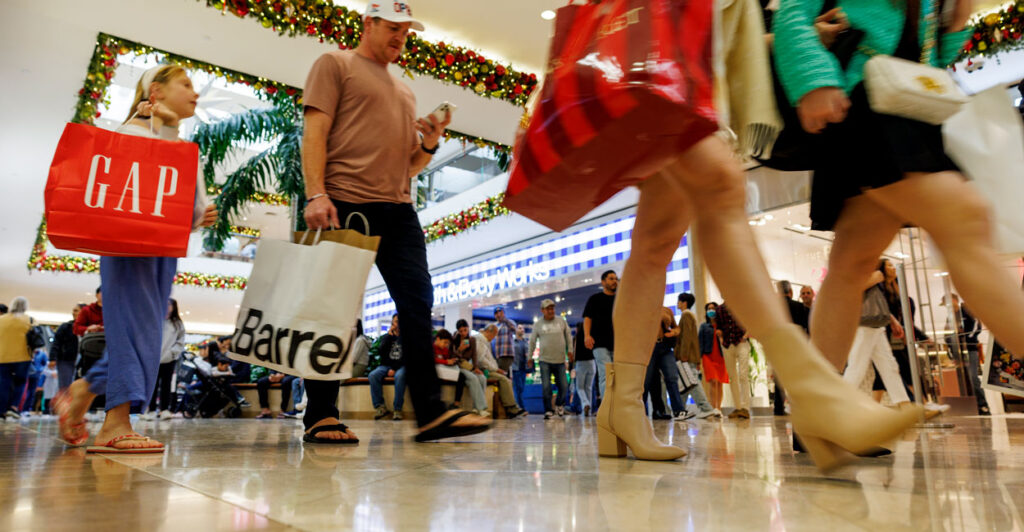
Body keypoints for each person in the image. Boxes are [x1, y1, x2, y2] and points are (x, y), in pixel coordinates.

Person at [776, 1, 1024, 415]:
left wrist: (957, 23)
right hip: (862, 104)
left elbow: (937, 63)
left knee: (853, 261)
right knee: (964, 220)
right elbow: (793, 11)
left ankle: (815, 412)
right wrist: (812, 80)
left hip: (905, 110)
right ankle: (817, 409)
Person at [300, 1, 489, 443]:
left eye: (407, 31)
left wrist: (429, 143)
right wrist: (315, 192)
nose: (401, 37)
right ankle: (321, 414)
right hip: (343, 203)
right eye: (393, 27)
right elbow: (315, 131)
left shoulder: (404, 92)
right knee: (335, 310)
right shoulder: (336, 64)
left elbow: (409, 166)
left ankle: (430, 411)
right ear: (369, 23)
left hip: (399, 210)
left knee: (417, 302)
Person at [55, 64, 217, 452]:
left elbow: (176, 204)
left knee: (144, 329)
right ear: (156, 91)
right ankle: (113, 423)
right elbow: (128, 188)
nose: (195, 92)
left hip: (160, 247)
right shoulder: (130, 133)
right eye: (186, 84)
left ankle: (84, 393)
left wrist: (198, 217)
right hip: (129, 243)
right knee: (135, 326)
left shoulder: (178, 141)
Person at [841, 268, 913, 408]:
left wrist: (892, 321)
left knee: (889, 366)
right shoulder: (872, 273)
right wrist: (877, 276)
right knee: (857, 367)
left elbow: (878, 302)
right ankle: (839, 405)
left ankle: (904, 404)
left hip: (875, 325)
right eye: (889, 265)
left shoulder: (877, 277)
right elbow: (852, 289)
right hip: (863, 325)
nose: (893, 268)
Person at [676, 293, 721, 420]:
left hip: (687, 356)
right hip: (689, 356)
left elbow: (687, 337)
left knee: (692, 382)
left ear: (684, 302)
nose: (677, 303)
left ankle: (705, 408)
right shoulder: (689, 316)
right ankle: (680, 410)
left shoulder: (686, 316)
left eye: (679, 301)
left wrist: (683, 354)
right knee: (686, 383)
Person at [529, 299, 573, 419]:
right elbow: (532, 342)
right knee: (546, 387)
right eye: (548, 308)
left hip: (560, 360)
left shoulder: (561, 322)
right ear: (542, 310)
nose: (551, 311)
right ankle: (548, 410)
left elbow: (568, 336)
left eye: (552, 308)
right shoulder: (538, 324)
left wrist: (570, 350)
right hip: (544, 360)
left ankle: (559, 404)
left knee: (564, 385)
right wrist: (530, 357)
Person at [472, 325, 527, 419]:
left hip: (488, 369)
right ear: (490, 332)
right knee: (504, 380)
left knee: (506, 379)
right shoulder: (480, 340)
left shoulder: (484, 341)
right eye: (494, 335)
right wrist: (495, 369)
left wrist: (496, 369)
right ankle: (512, 409)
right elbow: (481, 360)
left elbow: (488, 359)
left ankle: (511, 407)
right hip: (483, 371)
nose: (494, 338)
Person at [144, 298, 185, 421]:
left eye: (169, 305)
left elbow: (180, 341)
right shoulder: (155, 320)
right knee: (152, 385)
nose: (167, 307)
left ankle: (164, 410)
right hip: (153, 360)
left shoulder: (177, 323)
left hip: (169, 359)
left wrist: (173, 354)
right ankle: (151, 410)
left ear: (174, 307)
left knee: (166, 385)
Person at [644, 307, 688, 420]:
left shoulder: (666, 310)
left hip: (665, 346)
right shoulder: (641, 308)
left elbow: (676, 327)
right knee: (647, 380)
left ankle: (679, 410)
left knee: (672, 377)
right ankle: (643, 411)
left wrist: (674, 332)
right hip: (648, 347)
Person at [583, 271, 618, 398]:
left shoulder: (620, 299)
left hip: (618, 344)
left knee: (618, 376)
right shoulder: (595, 299)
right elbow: (587, 318)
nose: (615, 281)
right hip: (600, 343)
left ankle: (616, 406)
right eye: (611, 278)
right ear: (603, 282)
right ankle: (607, 406)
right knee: (606, 374)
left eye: (616, 278)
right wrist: (587, 335)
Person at [1, 298, 35, 420]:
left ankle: (2, 410)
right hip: (23, 356)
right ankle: (14, 408)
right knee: (20, 383)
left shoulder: (2, 320)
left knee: (4, 383)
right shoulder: (29, 320)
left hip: (3, 356)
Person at [368, 314, 407, 421]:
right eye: (395, 321)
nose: (397, 324)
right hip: (386, 365)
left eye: (400, 321)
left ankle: (397, 409)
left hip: (401, 366)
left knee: (400, 376)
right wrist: (389, 337)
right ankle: (380, 407)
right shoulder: (387, 337)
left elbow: (407, 356)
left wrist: (394, 368)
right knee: (373, 375)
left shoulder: (407, 337)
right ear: (392, 323)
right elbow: (381, 352)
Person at [716, 304, 751, 419]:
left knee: (743, 375)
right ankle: (738, 407)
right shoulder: (719, 309)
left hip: (742, 343)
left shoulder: (742, 306)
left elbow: (750, 323)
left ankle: (745, 408)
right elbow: (719, 327)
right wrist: (721, 339)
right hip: (727, 345)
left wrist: (745, 336)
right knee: (732, 377)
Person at [451, 320, 489, 415]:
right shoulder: (454, 340)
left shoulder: (472, 340)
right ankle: (481, 408)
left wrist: (476, 367)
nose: (463, 333)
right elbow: (453, 357)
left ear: (468, 328)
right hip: (458, 366)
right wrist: (460, 349)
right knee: (473, 378)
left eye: (465, 330)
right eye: (461, 331)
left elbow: (474, 356)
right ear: (458, 331)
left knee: (482, 378)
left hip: (469, 366)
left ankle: (476, 407)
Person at [698, 302, 728, 413]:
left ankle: (718, 408)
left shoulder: (723, 327)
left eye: (713, 308)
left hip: (721, 357)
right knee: (713, 381)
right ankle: (713, 407)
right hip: (708, 356)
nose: (711, 311)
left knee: (720, 382)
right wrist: (698, 359)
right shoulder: (704, 326)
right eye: (709, 309)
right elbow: (699, 343)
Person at [51, 303, 85, 391]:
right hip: (65, 360)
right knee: (64, 387)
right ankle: (64, 404)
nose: (73, 313)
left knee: (80, 387)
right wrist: (52, 358)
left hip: (83, 362)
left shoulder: (89, 328)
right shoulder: (65, 327)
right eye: (73, 310)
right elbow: (56, 343)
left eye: (76, 310)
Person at [573, 322, 597, 416]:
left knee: (580, 388)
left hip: (581, 363)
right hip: (592, 363)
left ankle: (585, 404)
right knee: (589, 388)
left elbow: (574, 352)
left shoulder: (576, 338)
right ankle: (588, 411)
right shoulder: (591, 336)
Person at [492, 307, 518, 374]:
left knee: (502, 374)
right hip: (497, 354)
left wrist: (505, 320)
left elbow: (515, 330)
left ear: (504, 313)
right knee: (500, 374)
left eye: (500, 312)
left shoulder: (509, 322)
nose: (498, 314)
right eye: (496, 313)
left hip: (506, 353)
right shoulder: (494, 325)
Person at [512, 325, 530, 410]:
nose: (522, 329)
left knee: (521, 389)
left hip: (523, 368)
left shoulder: (526, 342)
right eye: (519, 328)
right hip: (515, 368)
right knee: (517, 388)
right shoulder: (512, 342)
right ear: (515, 330)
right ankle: (519, 407)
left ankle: (520, 407)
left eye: (523, 328)